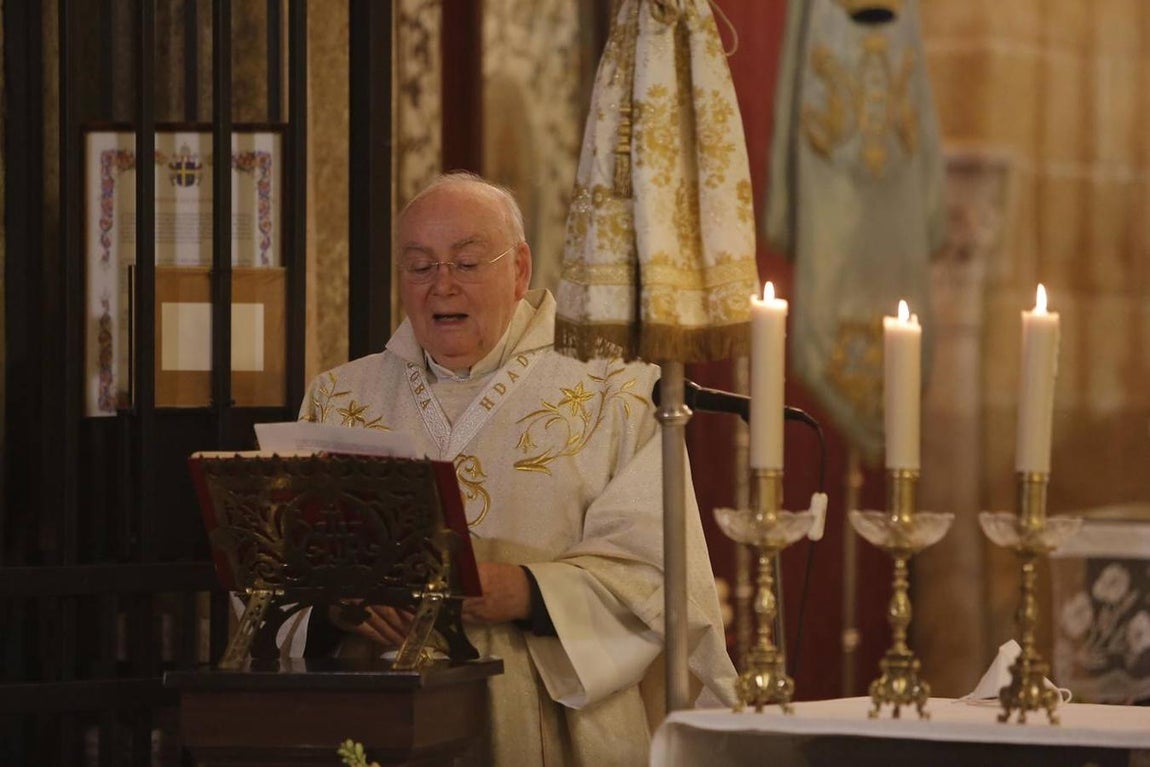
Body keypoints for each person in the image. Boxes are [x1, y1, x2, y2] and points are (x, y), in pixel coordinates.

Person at [298, 171, 737, 765]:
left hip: (555, 725)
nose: (442, 285)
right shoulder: (341, 398)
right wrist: (337, 608)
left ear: (520, 269)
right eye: (420, 266)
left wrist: (527, 592)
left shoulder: (618, 391)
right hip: (379, 722)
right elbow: (277, 576)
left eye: (467, 262)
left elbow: (658, 575)